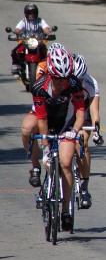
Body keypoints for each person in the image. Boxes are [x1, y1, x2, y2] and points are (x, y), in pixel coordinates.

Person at [32, 48, 85, 232]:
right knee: (41, 141)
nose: (62, 83)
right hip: (48, 119)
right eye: (57, 79)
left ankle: (65, 211)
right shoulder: (39, 86)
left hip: (67, 124)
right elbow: (42, 119)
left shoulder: (74, 84)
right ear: (50, 74)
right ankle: (37, 167)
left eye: (65, 79)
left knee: (65, 163)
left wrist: (75, 131)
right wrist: (45, 149)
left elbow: (80, 113)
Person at [22, 43, 68, 188]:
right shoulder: (42, 67)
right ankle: (36, 166)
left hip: (62, 110)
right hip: (42, 109)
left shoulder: (67, 72)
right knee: (28, 129)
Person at [69, 53, 102, 208]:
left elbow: (94, 110)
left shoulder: (91, 83)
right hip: (63, 116)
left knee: (81, 142)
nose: (77, 83)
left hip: (82, 116)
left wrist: (96, 131)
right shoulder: (59, 80)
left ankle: (84, 188)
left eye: (80, 79)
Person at [10, 4, 53, 75]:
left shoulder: (40, 21)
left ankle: (46, 66)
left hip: (38, 42)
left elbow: (46, 28)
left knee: (46, 52)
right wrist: (16, 33)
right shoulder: (23, 21)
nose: (32, 14)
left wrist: (48, 32)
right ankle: (16, 65)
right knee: (15, 51)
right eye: (30, 13)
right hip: (26, 41)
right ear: (26, 13)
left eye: (33, 12)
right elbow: (17, 29)